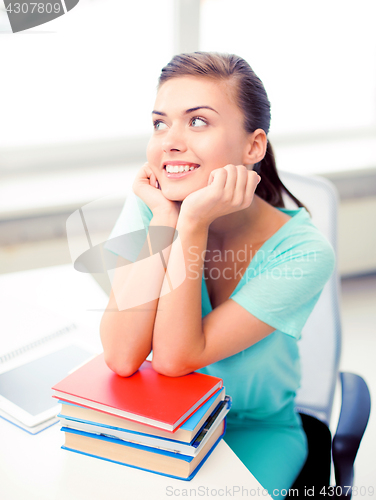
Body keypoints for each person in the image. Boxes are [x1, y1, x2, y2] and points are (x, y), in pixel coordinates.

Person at [100, 52, 336, 498]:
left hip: (252, 430)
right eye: (159, 123)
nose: (169, 141)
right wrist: (165, 221)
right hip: (167, 422)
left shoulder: (304, 252)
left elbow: (174, 357)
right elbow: (121, 353)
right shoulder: (153, 207)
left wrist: (190, 225)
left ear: (254, 147)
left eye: (198, 122)